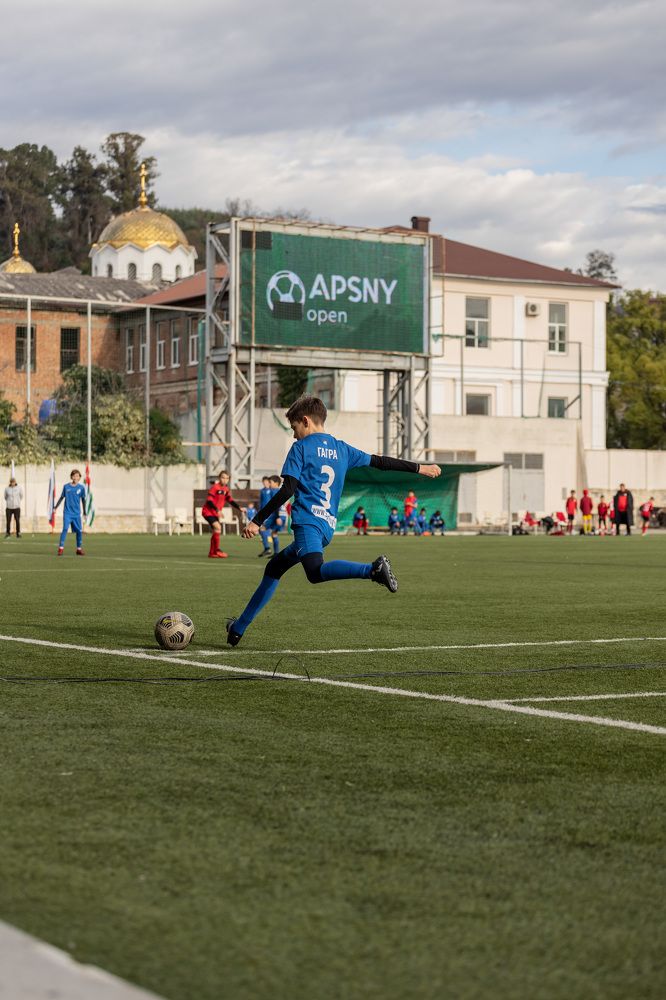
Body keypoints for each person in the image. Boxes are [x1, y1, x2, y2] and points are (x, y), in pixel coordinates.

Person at [226, 394, 441, 646]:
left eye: (294, 428)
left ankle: (372, 570)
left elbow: (287, 490)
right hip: (327, 526)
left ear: (305, 421)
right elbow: (381, 462)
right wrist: (419, 468)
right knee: (274, 568)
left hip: (308, 524)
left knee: (315, 572)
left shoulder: (301, 448)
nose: (294, 435)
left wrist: (256, 521)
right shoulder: (342, 449)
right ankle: (238, 628)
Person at [202, 470, 244, 559]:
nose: (225, 480)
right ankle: (216, 550)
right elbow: (209, 501)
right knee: (218, 527)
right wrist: (217, 510)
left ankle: (212, 552)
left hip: (215, 513)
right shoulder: (215, 487)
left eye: (227, 478)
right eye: (223, 477)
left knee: (216, 530)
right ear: (219, 478)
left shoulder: (226, 489)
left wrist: (239, 507)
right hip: (208, 512)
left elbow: (230, 500)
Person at [54, 469, 86, 556]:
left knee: (79, 531)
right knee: (65, 529)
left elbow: (83, 500)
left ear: (79, 478)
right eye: (74, 476)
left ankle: (78, 549)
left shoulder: (81, 488)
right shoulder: (66, 487)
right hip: (67, 513)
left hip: (76, 513)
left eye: (77, 476)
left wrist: (85, 512)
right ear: (71, 477)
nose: (76, 477)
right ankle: (61, 548)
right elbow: (61, 497)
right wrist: (55, 507)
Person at [257, 476, 273, 556]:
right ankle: (267, 548)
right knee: (261, 529)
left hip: (269, 513)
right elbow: (261, 502)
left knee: (263, 529)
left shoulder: (272, 490)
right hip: (263, 512)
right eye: (263, 482)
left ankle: (268, 548)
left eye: (266, 481)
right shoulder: (262, 491)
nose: (265, 483)